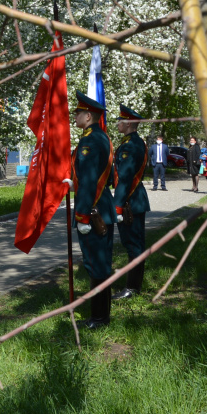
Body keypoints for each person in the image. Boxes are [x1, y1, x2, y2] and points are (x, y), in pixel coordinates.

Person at [72, 91, 116, 329]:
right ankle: (101, 316)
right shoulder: (99, 137)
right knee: (100, 263)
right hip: (100, 207)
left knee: (96, 264)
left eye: (78, 113)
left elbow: (90, 180)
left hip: (93, 210)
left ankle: (99, 318)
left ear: (88, 116)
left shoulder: (90, 140)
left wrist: (82, 215)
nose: (75, 116)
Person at [112, 106, 150, 300]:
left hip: (130, 201)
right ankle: (133, 286)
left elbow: (126, 178)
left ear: (127, 123)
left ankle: (132, 289)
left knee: (134, 245)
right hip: (131, 199)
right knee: (132, 244)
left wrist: (117, 205)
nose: (117, 123)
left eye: (119, 120)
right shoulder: (130, 143)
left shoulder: (131, 145)